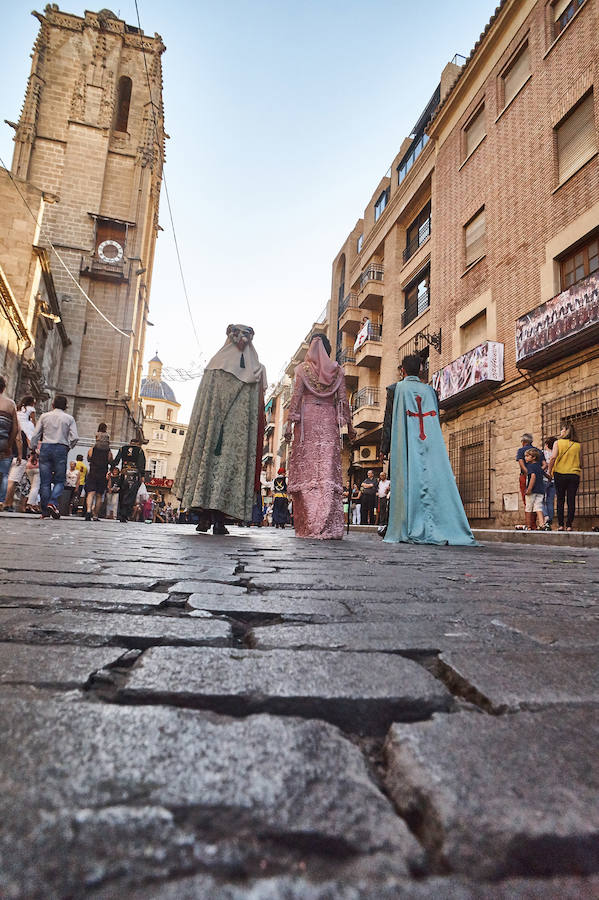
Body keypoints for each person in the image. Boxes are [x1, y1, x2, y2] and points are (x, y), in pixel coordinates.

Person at [175, 324, 267, 536]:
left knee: (208, 471)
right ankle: (218, 521)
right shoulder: (256, 369)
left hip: (212, 434)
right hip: (237, 440)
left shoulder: (215, 366)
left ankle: (205, 518)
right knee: (227, 475)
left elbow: (204, 407)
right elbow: (257, 412)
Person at [381, 354, 476, 545]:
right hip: (428, 443)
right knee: (428, 482)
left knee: (406, 482)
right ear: (422, 370)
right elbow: (435, 420)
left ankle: (405, 524)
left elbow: (389, 421)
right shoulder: (431, 392)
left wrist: (384, 447)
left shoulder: (395, 389)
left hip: (406, 443)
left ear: (403, 371)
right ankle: (432, 523)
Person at [285, 332, 356, 539]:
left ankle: (309, 525)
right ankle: (325, 524)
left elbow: (296, 397)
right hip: (328, 421)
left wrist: (290, 425)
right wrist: (349, 428)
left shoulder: (301, 370)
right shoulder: (337, 371)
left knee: (307, 471)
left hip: (306, 422)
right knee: (325, 471)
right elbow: (342, 401)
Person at [29, 394, 78, 519]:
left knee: (45, 481)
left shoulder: (45, 416)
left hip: (46, 447)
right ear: (66, 406)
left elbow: (35, 435)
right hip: (61, 448)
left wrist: (33, 449)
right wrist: (69, 446)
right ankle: (53, 501)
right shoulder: (69, 418)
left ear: (52, 404)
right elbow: (75, 437)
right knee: (59, 480)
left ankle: (45, 511)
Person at [2, 396, 36, 512]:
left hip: (7, 452)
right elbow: (19, 440)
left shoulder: (14, 416)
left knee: (6, 477)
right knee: (11, 480)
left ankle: (9, 503)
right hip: (17, 456)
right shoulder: (26, 428)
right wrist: (22, 454)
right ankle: (5, 503)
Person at [548, 424, 582, 532]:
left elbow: (553, 457)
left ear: (566, 431)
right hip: (574, 474)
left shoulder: (558, 443)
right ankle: (569, 525)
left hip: (560, 473)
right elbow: (581, 463)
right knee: (571, 500)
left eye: (562, 429)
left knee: (560, 500)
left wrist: (549, 471)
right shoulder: (578, 445)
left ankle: (561, 525)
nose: (560, 432)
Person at [114, 435, 146, 522]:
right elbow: (141, 463)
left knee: (122, 493)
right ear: (137, 444)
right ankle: (125, 514)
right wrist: (142, 475)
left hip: (124, 473)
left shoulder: (123, 449)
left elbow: (117, 460)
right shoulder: (139, 450)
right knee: (131, 495)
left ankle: (120, 513)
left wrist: (112, 467)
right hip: (134, 475)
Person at [0, 376, 21, 509]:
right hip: (2, 442)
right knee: (3, 474)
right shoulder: (10, 404)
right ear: (3, 388)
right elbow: (15, 428)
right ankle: (1, 501)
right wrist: (9, 444)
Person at [85, 430, 113, 521]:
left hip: (93, 472)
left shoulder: (93, 448)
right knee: (99, 495)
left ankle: (88, 510)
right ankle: (95, 515)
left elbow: (89, 458)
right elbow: (110, 460)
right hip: (102, 473)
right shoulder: (108, 450)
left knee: (90, 493)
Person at [516, 433, 543, 527]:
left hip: (525, 477)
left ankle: (530, 526)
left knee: (527, 502)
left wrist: (529, 473)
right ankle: (538, 524)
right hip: (539, 480)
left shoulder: (521, 450)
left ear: (523, 442)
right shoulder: (538, 451)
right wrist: (539, 472)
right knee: (537, 504)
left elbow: (521, 463)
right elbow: (545, 465)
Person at [524, 447, 546, 531]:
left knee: (528, 508)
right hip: (540, 490)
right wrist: (549, 478)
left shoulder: (530, 466)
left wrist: (529, 489)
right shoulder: (539, 466)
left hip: (532, 491)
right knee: (538, 507)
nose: (525, 458)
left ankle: (528, 526)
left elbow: (533, 476)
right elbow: (544, 474)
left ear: (533, 457)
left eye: (527, 456)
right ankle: (542, 524)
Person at [542, 436, 557, 530]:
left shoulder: (543, 453)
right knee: (550, 501)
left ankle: (546, 516)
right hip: (554, 480)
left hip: (544, 479)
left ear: (546, 445)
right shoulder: (556, 453)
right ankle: (550, 521)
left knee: (541, 499)